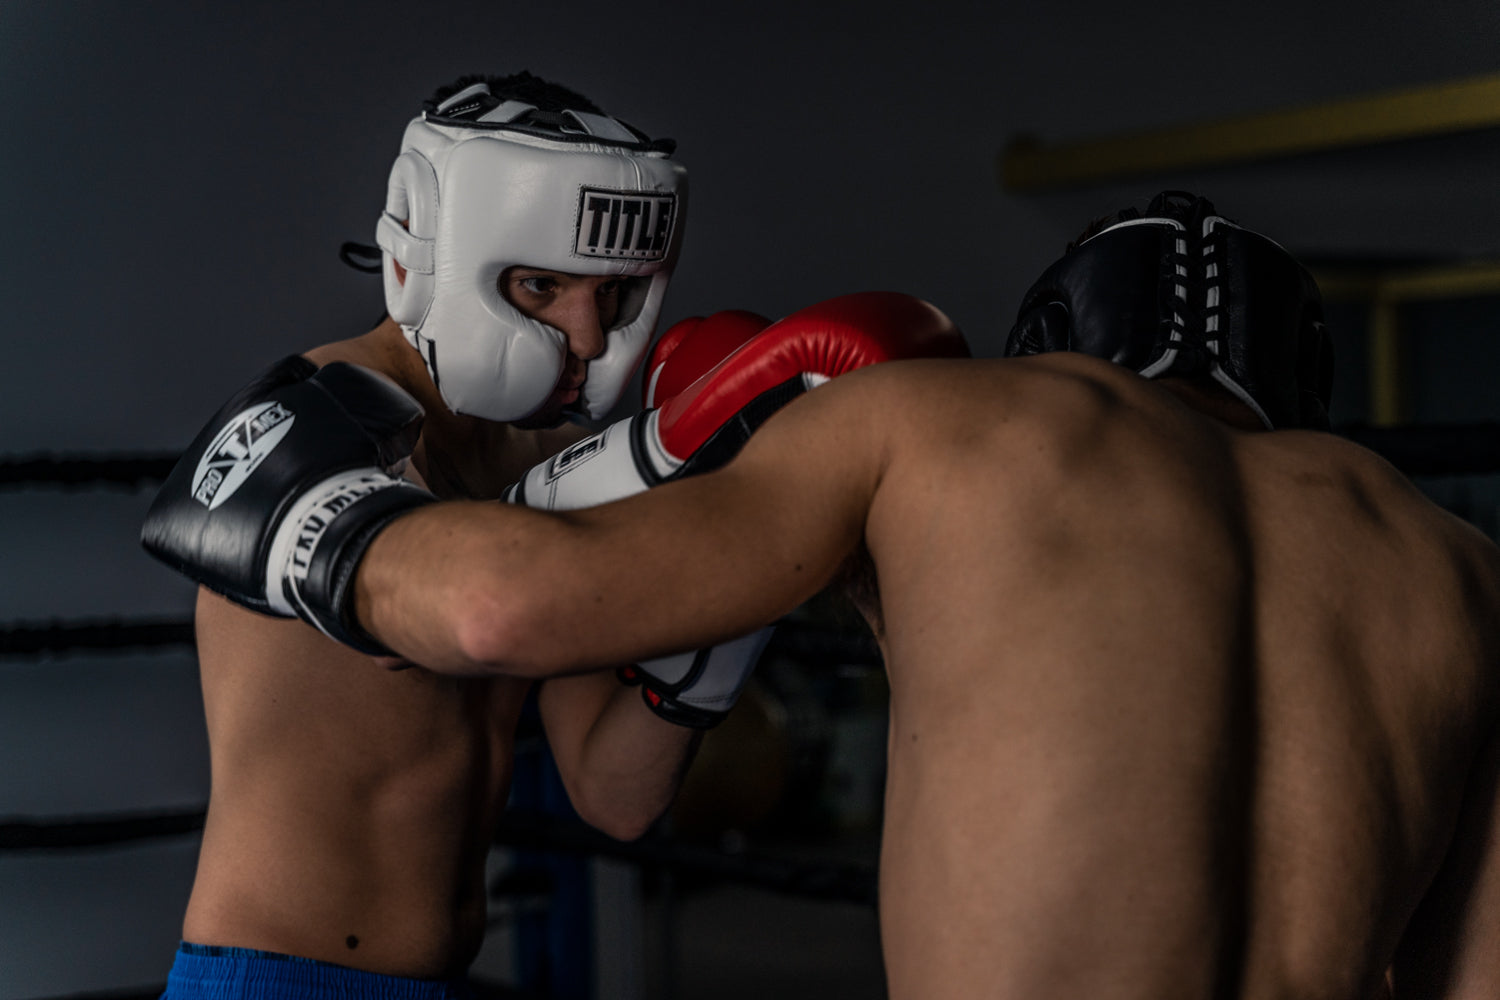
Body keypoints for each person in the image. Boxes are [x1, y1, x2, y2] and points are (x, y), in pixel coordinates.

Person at [144, 192, 1500, 999]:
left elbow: (502, 608)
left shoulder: (943, 425)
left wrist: (291, 508)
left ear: (1056, 345)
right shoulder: (1453, 565)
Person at [152, 70, 779, 999]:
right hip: (273, 982)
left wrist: (746, 580)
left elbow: (615, 794)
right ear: (426, 252)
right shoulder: (313, 422)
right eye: (541, 286)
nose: (585, 338)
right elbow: (453, 618)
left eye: (610, 298)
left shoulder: (559, 462)